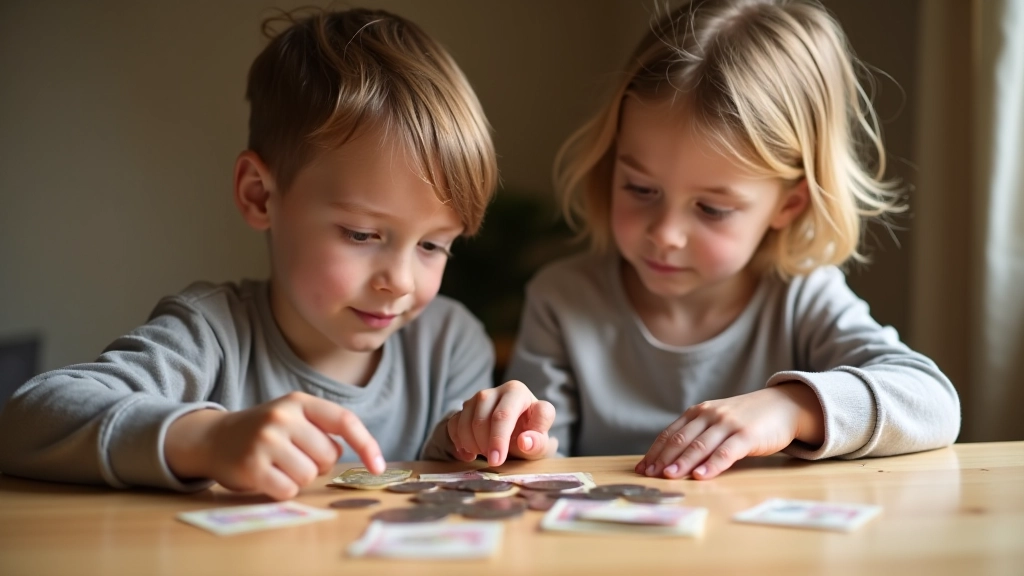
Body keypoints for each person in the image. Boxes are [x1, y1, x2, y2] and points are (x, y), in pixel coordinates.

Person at [0, 8, 555, 501]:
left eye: (434, 245)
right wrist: (205, 440)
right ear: (259, 195)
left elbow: (465, 473)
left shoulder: (450, 344)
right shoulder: (209, 334)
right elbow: (26, 420)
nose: (401, 281)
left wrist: (492, 434)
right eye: (362, 234)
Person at [505, 0, 960, 481]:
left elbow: (933, 402)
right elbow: (536, 468)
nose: (665, 234)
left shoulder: (802, 298)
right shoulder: (562, 299)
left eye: (712, 209)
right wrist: (514, 438)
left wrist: (792, 406)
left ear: (789, 205)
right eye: (641, 189)